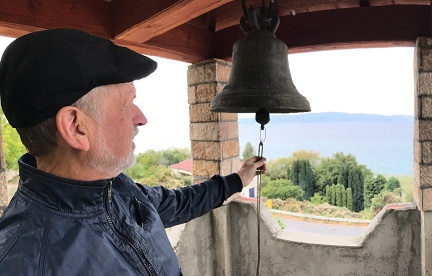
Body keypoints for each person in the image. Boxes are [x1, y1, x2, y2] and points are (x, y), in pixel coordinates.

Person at [0, 28, 265, 275]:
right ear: (75, 127)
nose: (141, 118)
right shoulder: (24, 262)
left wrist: (239, 179)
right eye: (128, 104)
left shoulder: (117, 191)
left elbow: (179, 203)